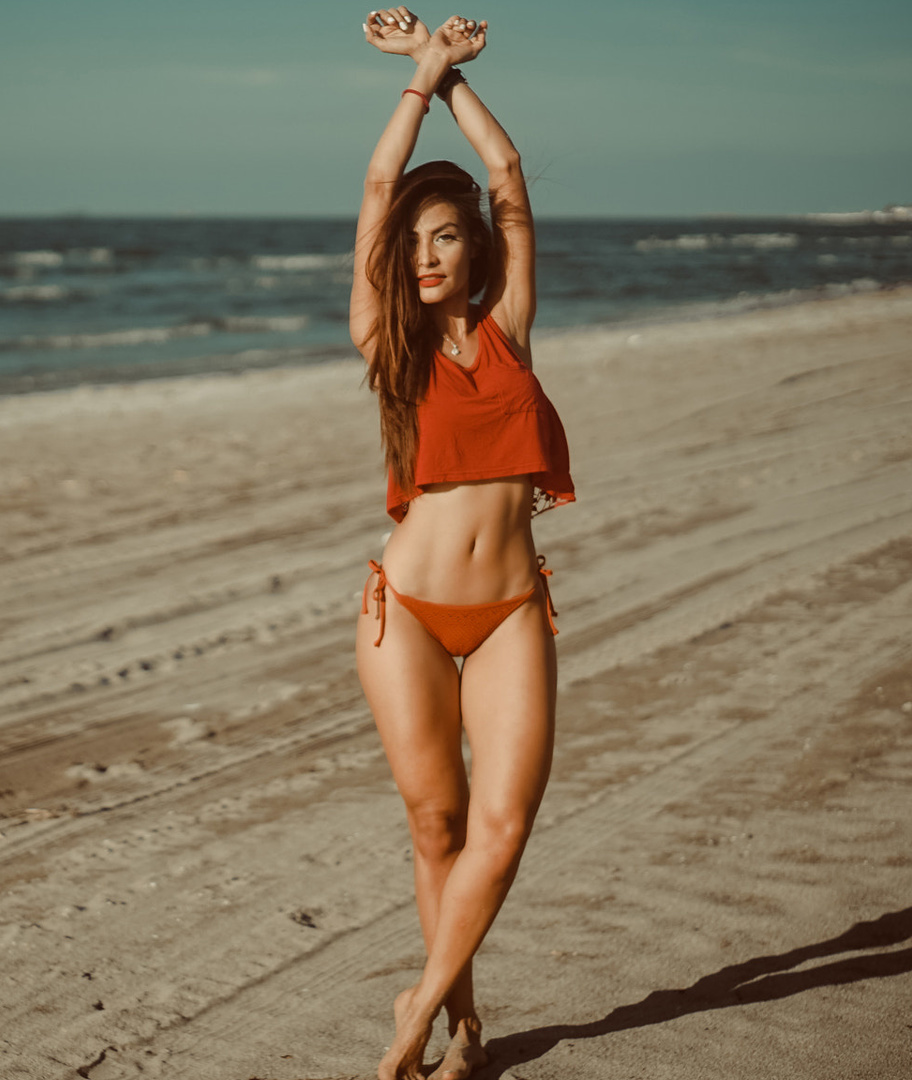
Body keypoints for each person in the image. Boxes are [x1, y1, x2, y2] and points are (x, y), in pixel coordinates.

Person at [350, 9, 574, 1080]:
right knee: (438, 827)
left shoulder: (509, 327)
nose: (429, 252)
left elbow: (512, 173)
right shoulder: (385, 341)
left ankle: (417, 1010)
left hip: (510, 612)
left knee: (505, 823)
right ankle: (468, 1031)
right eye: (416, 239)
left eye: (449, 236)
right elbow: (375, 195)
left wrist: (452, 85)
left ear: (472, 248)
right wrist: (413, 80)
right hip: (409, 616)